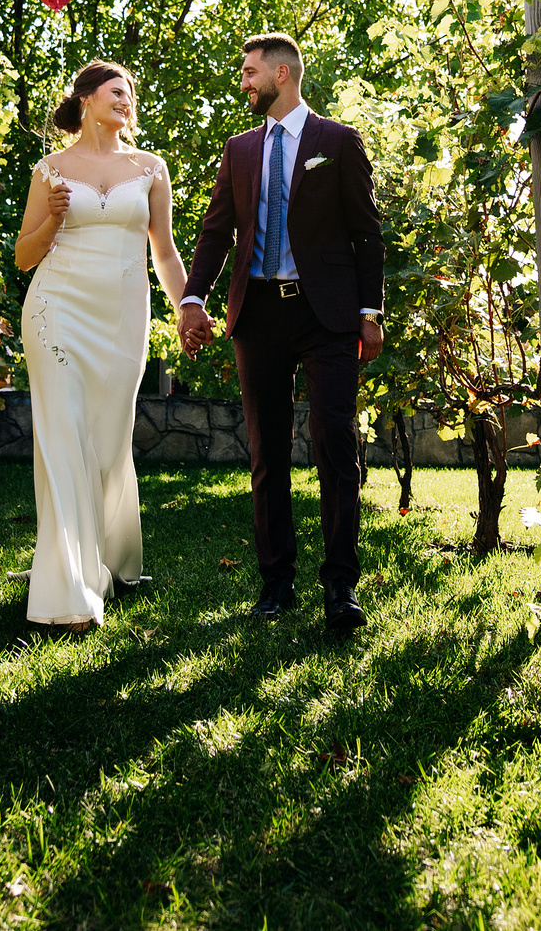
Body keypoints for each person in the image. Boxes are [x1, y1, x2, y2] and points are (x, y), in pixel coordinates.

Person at [177, 34, 386, 632]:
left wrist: (370, 312)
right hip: (259, 314)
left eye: (250, 72)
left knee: (333, 444)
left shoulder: (336, 141)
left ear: (283, 73)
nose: (243, 82)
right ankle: (276, 582)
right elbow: (217, 232)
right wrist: (195, 298)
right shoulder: (239, 150)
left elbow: (366, 234)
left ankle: (341, 585)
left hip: (326, 316)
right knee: (267, 453)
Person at [12, 61, 189, 631]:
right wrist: (52, 222)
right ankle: (69, 590)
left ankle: (108, 560)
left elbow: (162, 252)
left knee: (108, 443)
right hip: (55, 312)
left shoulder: (151, 168)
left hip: (121, 321)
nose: (127, 100)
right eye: (117, 91)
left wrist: (189, 307)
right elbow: (24, 254)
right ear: (86, 99)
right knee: (64, 440)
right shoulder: (52, 169)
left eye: (130, 94)